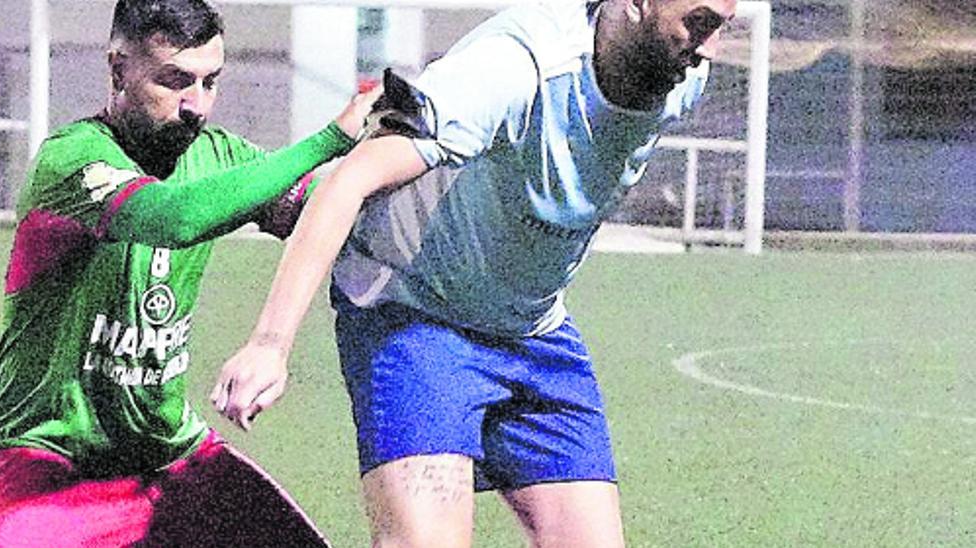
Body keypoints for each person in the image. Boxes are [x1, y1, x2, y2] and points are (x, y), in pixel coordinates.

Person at [212, 0, 737, 546]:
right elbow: (351, 179)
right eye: (698, 24)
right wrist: (270, 343)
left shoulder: (678, 80)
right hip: (417, 316)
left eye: (721, 28)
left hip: (533, 328)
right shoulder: (514, 67)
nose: (708, 51)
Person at [0, 0, 378, 546]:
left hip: (171, 459)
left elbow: (319, 217)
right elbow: (174, 217)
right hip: (54, 467)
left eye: (211, 82)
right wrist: (329, 141)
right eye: (175, 81)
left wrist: (388, 157)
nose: (197, 105)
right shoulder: (70, 159)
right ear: (119, 69)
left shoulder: (218, 155)